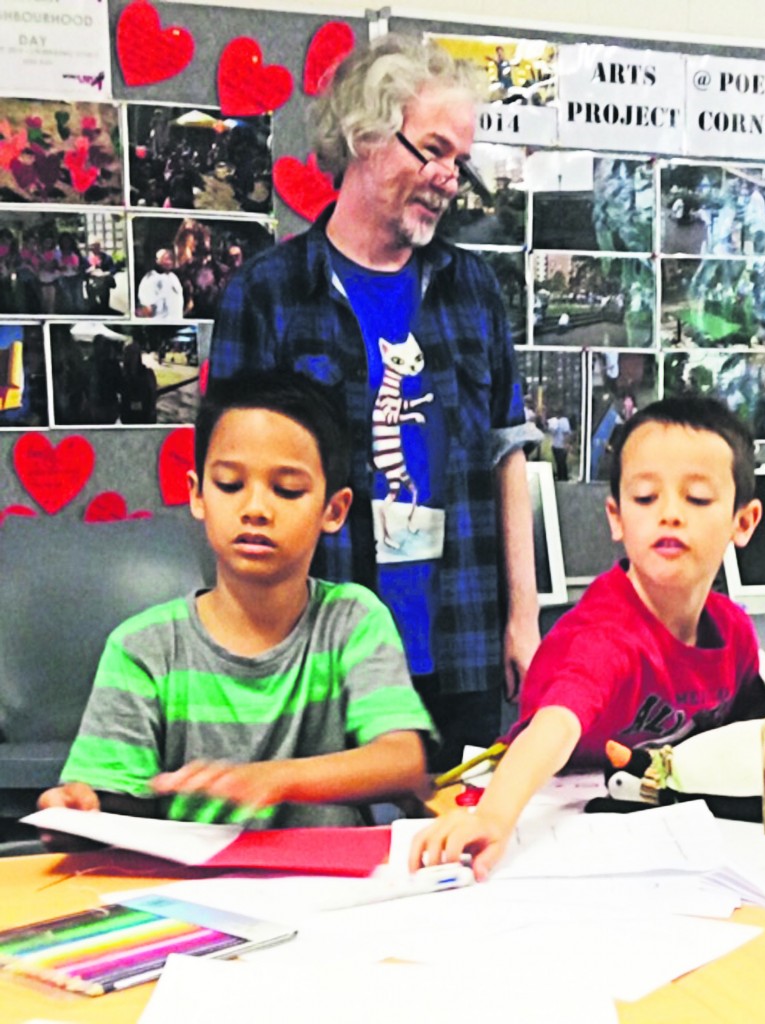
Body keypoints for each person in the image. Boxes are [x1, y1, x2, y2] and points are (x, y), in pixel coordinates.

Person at [209, 35, 541, 771]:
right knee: (325, 859)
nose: (450, 178)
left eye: (460, 160)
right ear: (364, 136)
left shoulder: (474, 290)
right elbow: (228, 486)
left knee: (459, 858)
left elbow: (506, 452)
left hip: (460, 641)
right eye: (433, 150)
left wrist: (524, 619)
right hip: (318, 652)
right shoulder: (268, 293)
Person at [38, 371, 435, 827]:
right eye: (229, 484)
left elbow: (402, 761)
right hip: (187, 891)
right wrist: (76, 816)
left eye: (287, 489)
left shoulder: (352, 621)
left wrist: (273, 779)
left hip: (330, 887)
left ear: (334, 509)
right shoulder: (143, 648)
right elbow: (112, 805)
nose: (255, 509)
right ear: (197, 495)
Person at [411, 396, 765, 878]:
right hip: (548, 812)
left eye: (698, 498)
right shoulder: (606, 634)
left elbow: (758, 737)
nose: (669, 514)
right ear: (617, 517)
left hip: (661, 827)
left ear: (743, 521)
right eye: (645, 497)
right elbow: (557, 726)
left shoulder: (734, 634)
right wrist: (494, 818)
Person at [137, 248, 184, 319]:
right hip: (160, 326)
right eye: (166, 258)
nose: (169, 261)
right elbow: (147, 309)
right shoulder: (150, 279)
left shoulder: (173, 277)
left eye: (171, 258)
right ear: (157, 261)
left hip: (177, 325)